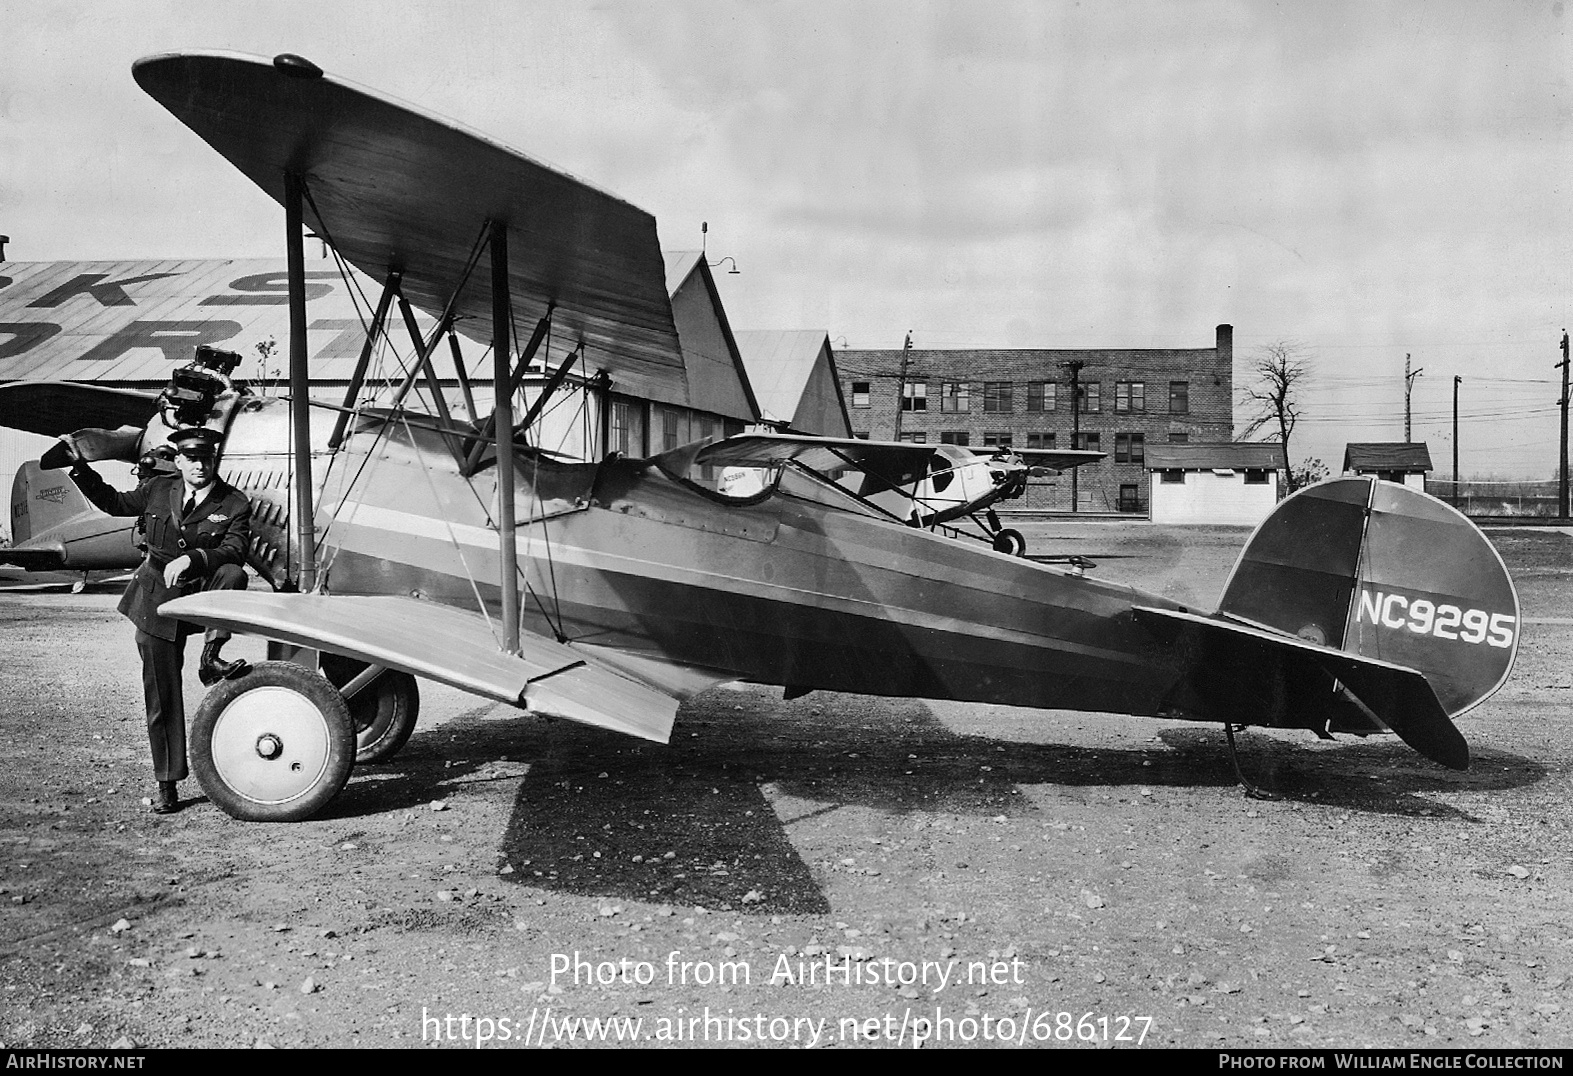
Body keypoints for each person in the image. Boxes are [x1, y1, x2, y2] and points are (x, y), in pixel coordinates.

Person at [64, 426, 252, 814]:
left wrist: (195, 558)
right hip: (155, 594)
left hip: (201, 591)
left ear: (214, 460)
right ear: (180, 461)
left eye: (207, 458)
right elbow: (115, 503)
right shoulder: (157, 489)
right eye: (193, 459)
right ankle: (167, 782)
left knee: (234, 573)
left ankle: (211, 655)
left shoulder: (233, 502)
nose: (200, 465)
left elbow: (235, 548)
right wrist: (81, 469)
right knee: (161, 694)